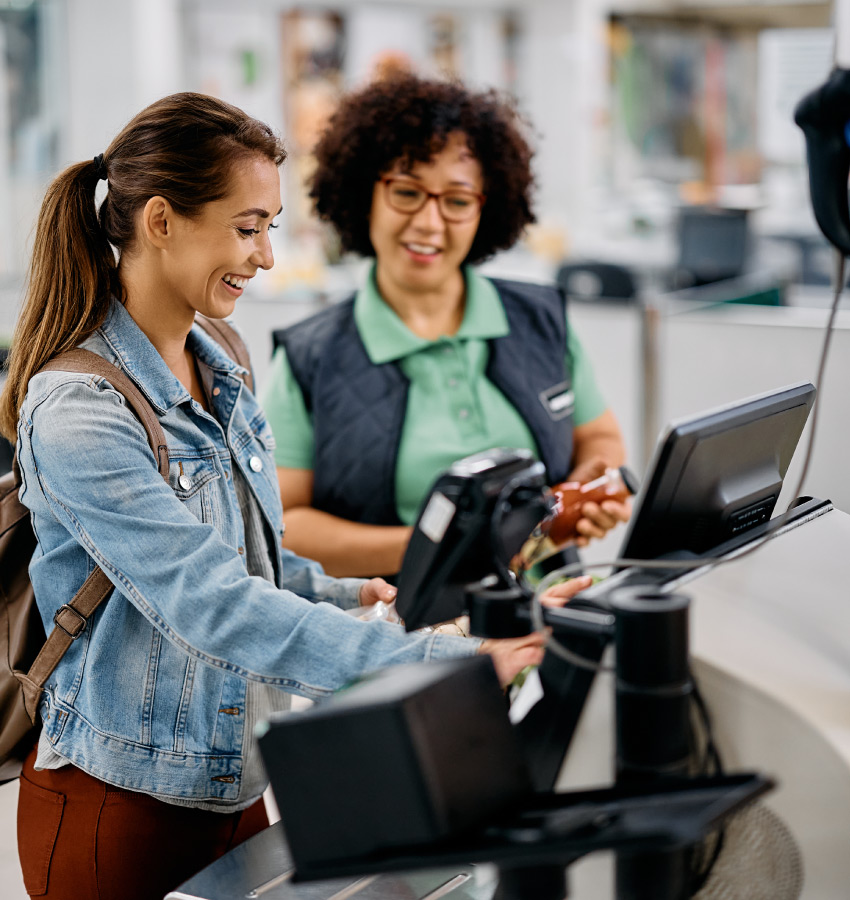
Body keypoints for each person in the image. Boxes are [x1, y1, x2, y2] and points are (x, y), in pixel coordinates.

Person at [0, 92, 588, 900]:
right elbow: (208, 602)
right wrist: (434, 660)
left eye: (270, 227)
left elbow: (246, 554)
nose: (267, 257)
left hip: (235, 782)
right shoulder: (79, 410)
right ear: (162, 221)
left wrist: (353, 591)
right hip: (117, 806)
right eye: (248, 227)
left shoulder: (222, 360)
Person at [263, 74, 631, 578]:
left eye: (457, 200)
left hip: (552, 621)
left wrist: (590, 489)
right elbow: (284, 524)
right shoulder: (310, 359)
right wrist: (442, 545)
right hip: (403, 637)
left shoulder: (540, 320)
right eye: (407, 192)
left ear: (488, 207)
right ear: (362, 192)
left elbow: (600, 439)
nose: (430, 224)